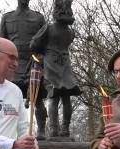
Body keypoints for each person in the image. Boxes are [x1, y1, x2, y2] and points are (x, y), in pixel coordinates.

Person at [30, 0, 81, 138]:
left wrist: (42, 50)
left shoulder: (49, 28)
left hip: (52, 63)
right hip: (64, 63)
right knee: (65, 97)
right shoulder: (70, 32)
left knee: (54, 96)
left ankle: (55, 129)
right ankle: (64, 129)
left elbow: (33, 43)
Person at [0, 0, 47, 139]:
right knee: (9, 99)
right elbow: (0, 44)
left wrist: (40, 60)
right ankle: (8, 131)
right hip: (13, 66)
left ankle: (42, 131)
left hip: (33, 64)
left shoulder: (38, 18)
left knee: (37, 99)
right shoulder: (7, 18)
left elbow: (45, 43)